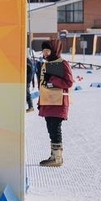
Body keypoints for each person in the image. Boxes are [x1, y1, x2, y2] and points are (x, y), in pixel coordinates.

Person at [36, 39, 73, 167]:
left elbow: (69, 82)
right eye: (43, 51)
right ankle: (54, 155)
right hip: (48, 102)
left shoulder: (62, 63)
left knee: (55, 128)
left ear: (54, 50)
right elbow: (43, 85)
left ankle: (58, 158)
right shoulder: (46, 64)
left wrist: (52, 79)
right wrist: (40, 101)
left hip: (58, 102)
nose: (45, 53)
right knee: (50, 129)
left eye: (47, 50)